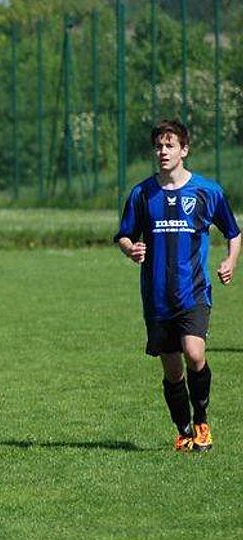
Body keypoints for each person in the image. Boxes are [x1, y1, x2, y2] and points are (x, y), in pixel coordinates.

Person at [114, 118, 240, 453]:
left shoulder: (207, 191)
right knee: (172, 370)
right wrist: (131, 249)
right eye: (159, 146)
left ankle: (201, 421)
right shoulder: (142, 194)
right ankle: (183, 431)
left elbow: (233, 231)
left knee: (194, 353)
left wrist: (230, 262)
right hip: (156, 296)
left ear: (184, 150)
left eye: (170, 145)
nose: (163, 151)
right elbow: (124, 235)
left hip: (194, 291)